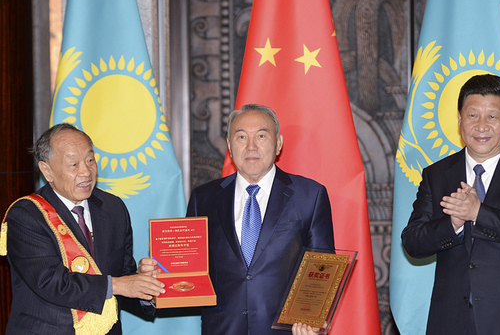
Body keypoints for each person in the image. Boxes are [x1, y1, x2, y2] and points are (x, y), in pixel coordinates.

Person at [140, 104, 335, 334]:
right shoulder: (203, 199)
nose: (251, 146)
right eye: (241, 137)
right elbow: (189, 275)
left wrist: (311, 319)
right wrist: (154, 285)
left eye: (261, 136)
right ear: (230, 146)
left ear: (279, 143)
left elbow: (322, 270)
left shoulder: (310, 195)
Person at [401, 74, 500, 334]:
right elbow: (413, 241)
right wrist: (452, 223)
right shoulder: (437, 174)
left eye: (492, 116)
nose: (481, 126)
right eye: (472, 115)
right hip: (452, 321)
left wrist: (479, 213)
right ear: (460, 119)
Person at [1, 123, 165, 334]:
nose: (86, 172)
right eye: (74, 164)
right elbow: (51, 282)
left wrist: (144, 284)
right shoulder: (26, 215)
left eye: (90, 160)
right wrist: (120, 285)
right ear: (47, 171)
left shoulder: (113, 208)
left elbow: (123, 276)